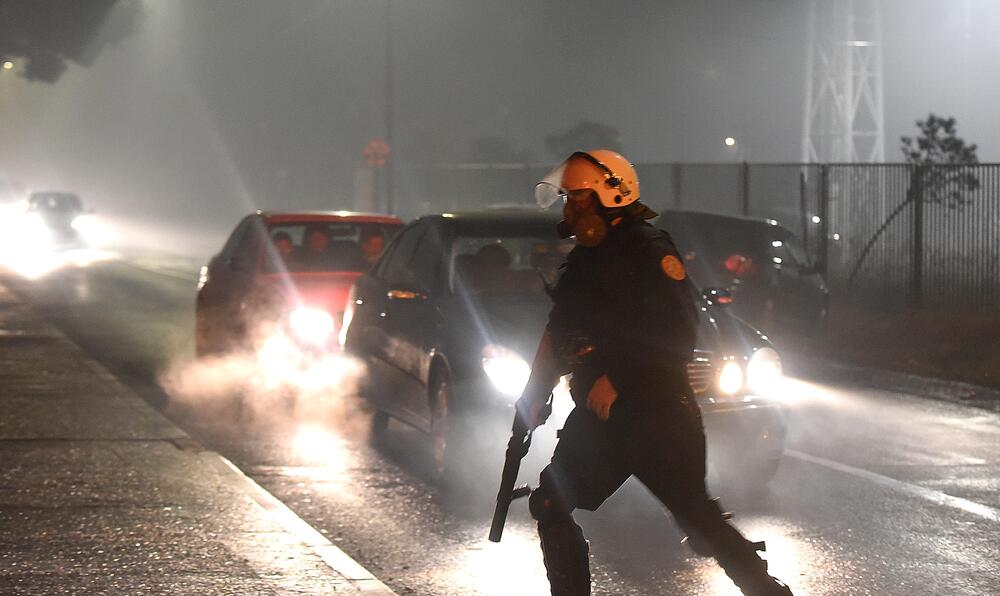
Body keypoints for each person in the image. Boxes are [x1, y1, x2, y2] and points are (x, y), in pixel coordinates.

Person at [516, 150, 794, 596]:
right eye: (567, 199)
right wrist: (535, 389)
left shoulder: (649, 251)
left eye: (579, 198)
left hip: (657, 417)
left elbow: (678, 331)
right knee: (550, 501)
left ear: (612, 195)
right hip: (599, 420)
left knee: (698, 521)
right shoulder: (585, 260)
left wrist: (619, 376)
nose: (570, 210)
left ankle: (768, 592)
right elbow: (560, 328)